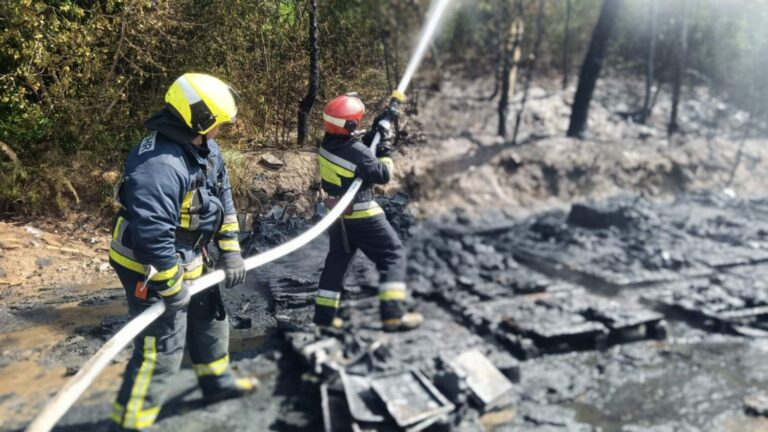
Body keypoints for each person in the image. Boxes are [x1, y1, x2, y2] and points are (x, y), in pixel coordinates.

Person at [107, 73, 256, 431]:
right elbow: (152, 236)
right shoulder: (160, 165)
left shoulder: (204, 148)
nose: (222, 130)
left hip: (191, 253)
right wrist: (172, 288)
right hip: (150, 264)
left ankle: (217, 385)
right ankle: (130, 423)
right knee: (162, 349)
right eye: (219, 123)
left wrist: (230, 250)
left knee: (210, 322)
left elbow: (223, 198)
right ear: (200, 120)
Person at [314, 92, 423, 332]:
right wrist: (384, 149)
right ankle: (393, 316)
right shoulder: (357, 152)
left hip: (339, 217)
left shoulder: (329, 143)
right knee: (393, 256)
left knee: (337, 261)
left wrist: (378, 126)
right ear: (351, 125)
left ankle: (324, 317)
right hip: (363, 217)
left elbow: (358, 149)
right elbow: (382, 174)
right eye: (357, 121)